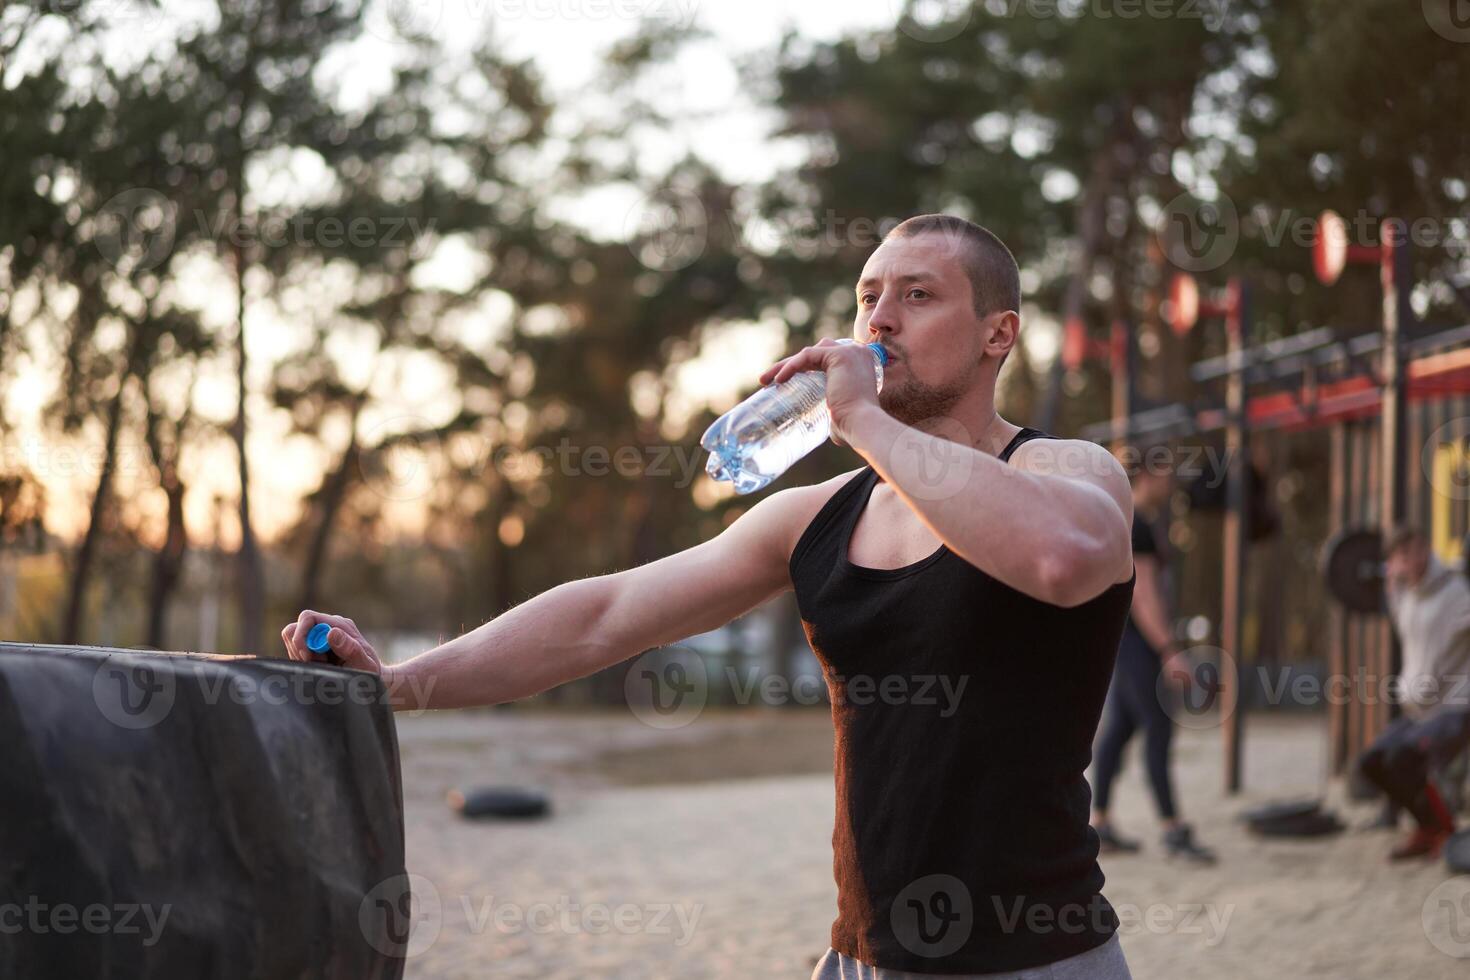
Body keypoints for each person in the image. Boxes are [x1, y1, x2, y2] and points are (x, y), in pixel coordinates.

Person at [284, 214, 1138, 979]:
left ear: (1000, 333)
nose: (879, 320)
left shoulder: (1063, 470)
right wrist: (399, 684)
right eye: (868, 297)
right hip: (862, 962)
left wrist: (865, 426)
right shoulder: (812, 520)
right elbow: (603, 616)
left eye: (918, 296)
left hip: (1040, 962)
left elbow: (1061, 559)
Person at [1088, 452, 1216, 863]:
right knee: (1158, 726)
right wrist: (1169, 650)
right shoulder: (1135, 524)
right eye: (1165, 472)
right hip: (1138, 643)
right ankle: (1173, 829)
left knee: (1120, 730)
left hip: (1125, 642)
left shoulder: (1136, 520)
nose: (1172, 479)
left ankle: (1100, 823)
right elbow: (1143, 597)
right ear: (1145, 474)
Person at [1357, 526, 1470, 860]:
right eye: (1402, 555)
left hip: (1454, 709)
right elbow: (1406, 625)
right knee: (1372, 762)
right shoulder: (1405, 596)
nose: (1412, 559)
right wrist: (1393, 587)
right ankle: (1429, 828)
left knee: (1402, 759)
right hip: (1419, 712)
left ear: (1426, 549)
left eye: (1417, 550)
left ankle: (1443, 827)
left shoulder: (1456, 592)